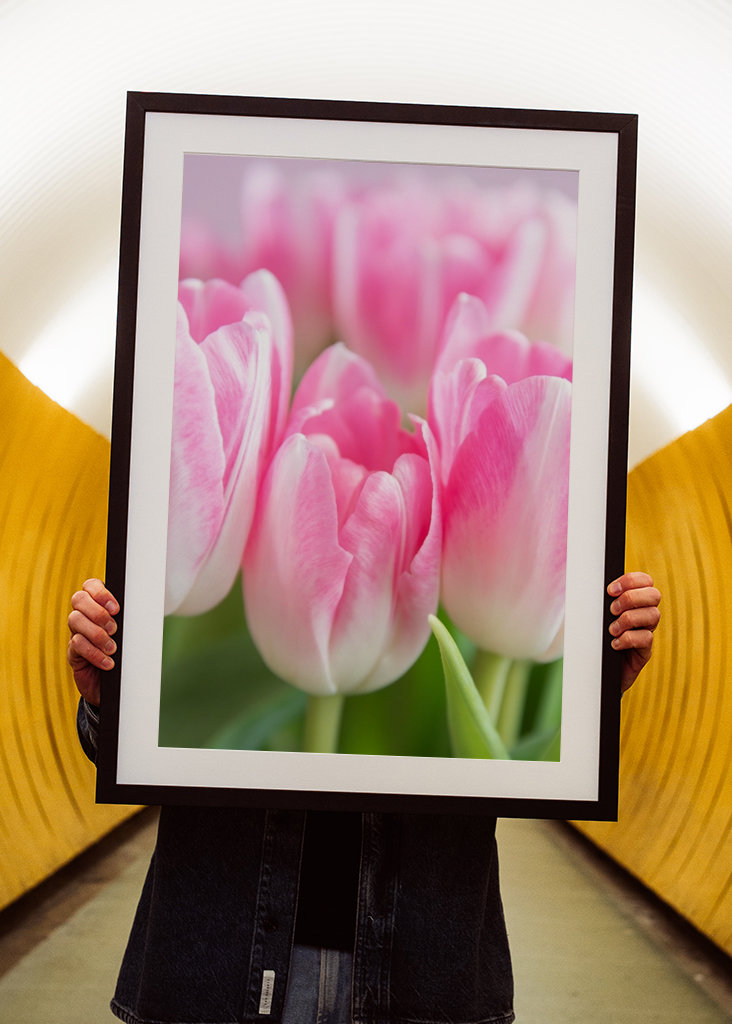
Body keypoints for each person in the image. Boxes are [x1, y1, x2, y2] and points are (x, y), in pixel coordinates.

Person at [68, 572, 661, 1024]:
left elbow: (533, 773)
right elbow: (115, 754)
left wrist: (591, 691)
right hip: (223, 953)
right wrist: (108, 701)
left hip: (420, 965)